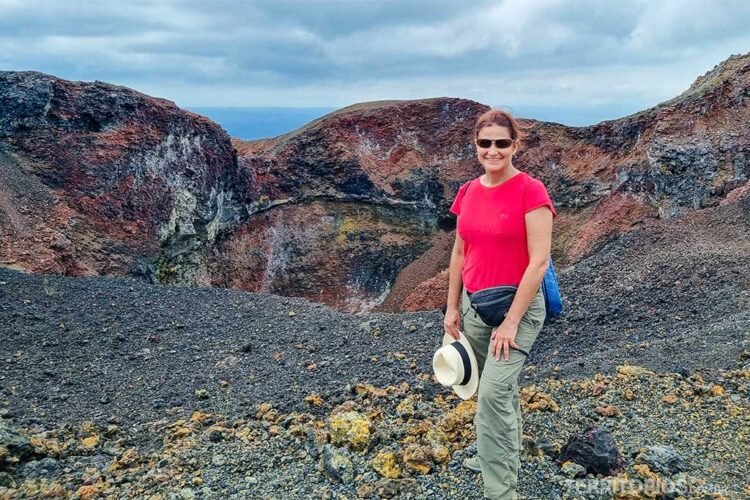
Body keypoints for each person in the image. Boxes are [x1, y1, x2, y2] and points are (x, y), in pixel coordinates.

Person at [443, 108, 556, 499]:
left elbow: (539, 261)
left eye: (501, 143)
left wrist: (510, 323)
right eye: (485, 143)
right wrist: (451, 307)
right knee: (494, 391)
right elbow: (459, 253)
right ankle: (502, 451)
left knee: (491, 395)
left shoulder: (531, 191)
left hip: (518, 311)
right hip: (475, 306)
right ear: (476, 145)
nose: (493, 150)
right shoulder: (468, 192)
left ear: (514, 146)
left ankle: (500, 490)